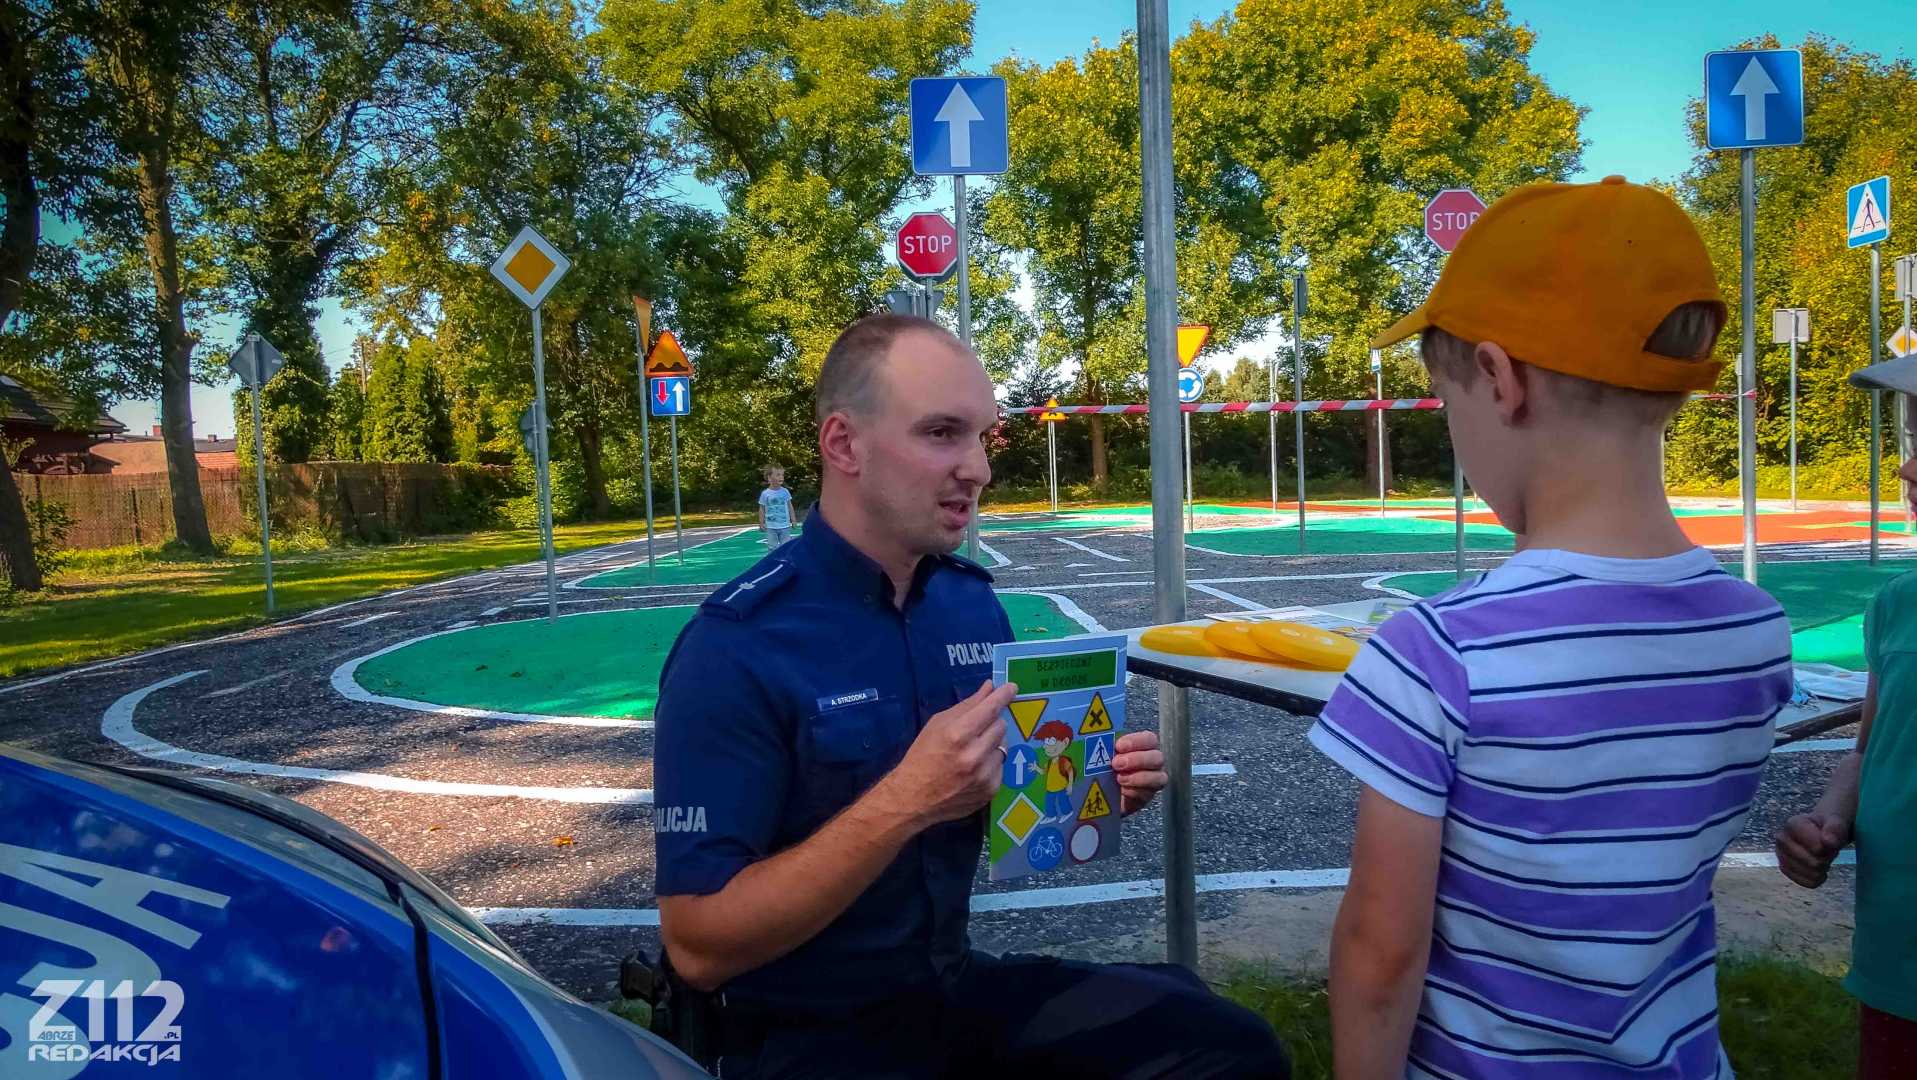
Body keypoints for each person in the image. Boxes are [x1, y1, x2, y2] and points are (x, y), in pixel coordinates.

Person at [651, 314, 1290, 1079]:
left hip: (946, 993)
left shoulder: (968, 604)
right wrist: (903, 802)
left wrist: (1078, 789)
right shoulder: (735, 646)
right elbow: (698, 948)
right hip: (805, 1039)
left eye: (981, 437)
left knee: (1226, 1044)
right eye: (941, 433)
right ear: (843, 445)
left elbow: (991, 806)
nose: (978, 469)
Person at [1306, 177, 1794, 1078]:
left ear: (1499, 380)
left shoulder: (1437, 654)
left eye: (1447, 403)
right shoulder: (1755, 631)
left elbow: (1380, 951)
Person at [1773, 356, 1917, 1079]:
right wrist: (1826, 821)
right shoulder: (1896, 605)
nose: (1907, 470)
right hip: (1896, 957)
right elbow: (1868, 749)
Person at [759, 464, 795, 547]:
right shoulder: (765, 494)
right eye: (778, 475)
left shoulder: (785, 492)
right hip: (771, 527)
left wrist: (793, 520)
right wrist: (761, 523)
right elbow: (762, 509)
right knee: (772, 547)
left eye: (782, 475)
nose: (781, 477)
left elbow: (790, 506)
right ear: (769, 478)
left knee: (785, 546)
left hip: (785, 526)